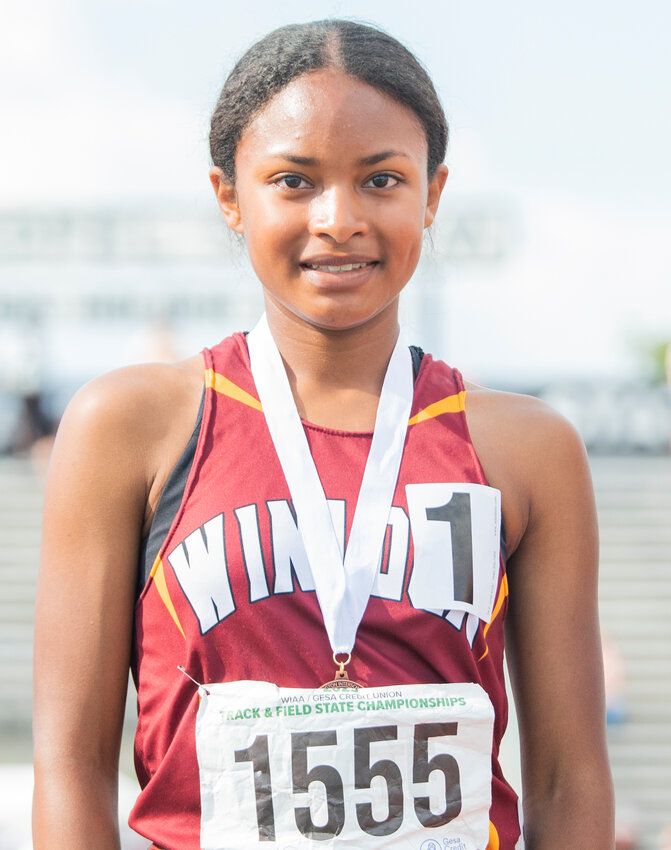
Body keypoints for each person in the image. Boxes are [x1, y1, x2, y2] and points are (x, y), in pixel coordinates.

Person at [32, 19, 614, 850]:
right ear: (229, 194)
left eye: (381, 179)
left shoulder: (526, 450)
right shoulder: (128, 428)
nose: (338, 218)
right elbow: (69, 764)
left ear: (432, 194)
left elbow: (567, 777)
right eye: (294, 181)